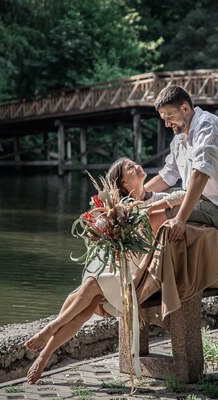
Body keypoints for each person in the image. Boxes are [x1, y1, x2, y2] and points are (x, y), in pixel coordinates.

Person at [23, 158, 185, 384]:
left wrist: (154, 205)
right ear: (123, 182)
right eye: (130, 167)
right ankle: (44, 356)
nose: (138, 166)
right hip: (117, 272)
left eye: (135, 163)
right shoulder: (115, 210)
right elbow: (105, 233)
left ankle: (51, 327)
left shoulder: (153, 202)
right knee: (85, 305)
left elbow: (183, 197)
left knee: (89, 286)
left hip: (139, 278)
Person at [145, 85, 218, 242]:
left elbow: (200, 173)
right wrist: (135, 198)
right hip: (201, 202)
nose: (166, 124)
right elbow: (167, 176)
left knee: (155, 217)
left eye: (169, 117)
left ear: (184, 108)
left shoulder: (207, 125)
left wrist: (180, 219)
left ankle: (156, 265)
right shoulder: (179, 138)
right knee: (145, 207)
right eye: (164, 119)